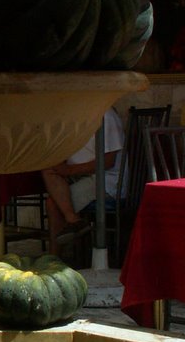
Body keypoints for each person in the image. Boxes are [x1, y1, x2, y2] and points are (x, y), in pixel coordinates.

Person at [41, 107, 125, 253]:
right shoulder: (73, 116)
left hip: (106, 182)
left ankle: (55, 257)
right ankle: (73, 220)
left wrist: (69, 171)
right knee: (48, 170)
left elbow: (108, 161)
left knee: (54, 204)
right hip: (83, 175)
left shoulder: (105, 116)